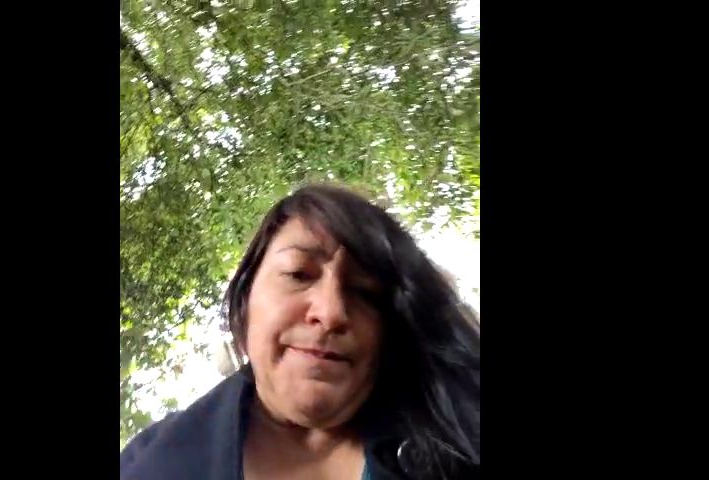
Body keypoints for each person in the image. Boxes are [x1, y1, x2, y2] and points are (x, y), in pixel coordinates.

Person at [120, 184, 480, 480]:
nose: (331, 312)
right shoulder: (149, 464)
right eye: (298, 274)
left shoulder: (459, 440)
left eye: (365, 292)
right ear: (245, 303)